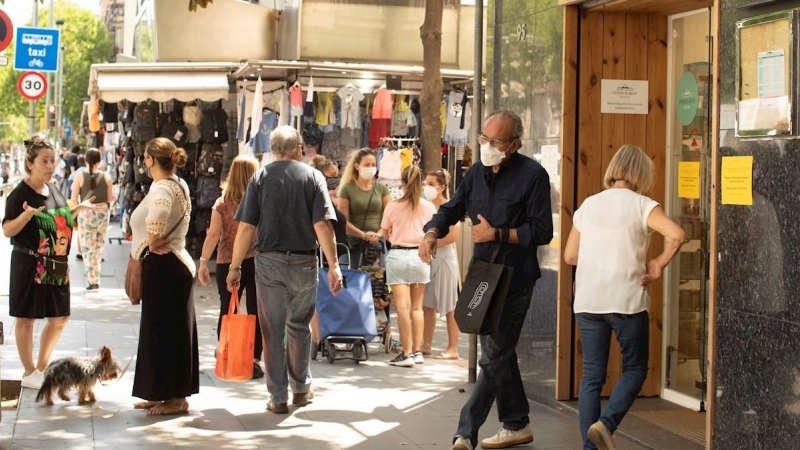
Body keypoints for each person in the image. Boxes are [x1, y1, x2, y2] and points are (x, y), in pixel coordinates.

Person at [420, 110, 553, 450]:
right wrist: (432, 232)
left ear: (515, 144)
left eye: (496, 141)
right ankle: (516, 422)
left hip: (515, 277)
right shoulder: (476, 172)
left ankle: (466, 430)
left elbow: (542, 231)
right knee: (498, 350)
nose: (487, 146)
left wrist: (497, 233)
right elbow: (452, 208)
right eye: (484, 138)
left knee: (493, 353)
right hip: (482, 273)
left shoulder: (533, 175)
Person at [563, 144, 685, 450]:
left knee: (592, 376)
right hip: (626, 300)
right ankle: (606, 424)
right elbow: (677, 234)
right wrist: (657, 262)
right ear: (642, 173)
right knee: (634, 369)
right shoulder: (643, 205)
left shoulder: (588, 205)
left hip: (589, 300)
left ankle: (591, 447)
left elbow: (570, 255)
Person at [227, 125, 343, 414]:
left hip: (268, 262)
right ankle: (301, 389)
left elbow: (246, 228)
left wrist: (235, 266)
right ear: (298, 147)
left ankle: (278, 396)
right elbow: (322, 225)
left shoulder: (260, 177)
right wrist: (334, 266)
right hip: (304, 261)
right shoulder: (313, 176)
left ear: (273, 149)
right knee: (299, 326)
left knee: (272, 329)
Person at [2, 135, 97, 390]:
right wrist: (25, 215)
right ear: (30, 163)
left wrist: (78, 209)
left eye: (53, 161)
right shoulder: (20, 193)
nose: (50, 166)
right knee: (27, 318)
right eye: (44, 161)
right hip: (30, 263)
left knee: (60, 317)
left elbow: (60, 218)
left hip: (55, 263)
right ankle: (29, 371)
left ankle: (41, 368)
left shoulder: (53, 188)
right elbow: (8, 230)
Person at [130, 138, 198, 416]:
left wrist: (154, 236)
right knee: (160, 330)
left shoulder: (163, 186)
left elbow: (159, 211)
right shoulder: (177, 182)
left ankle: (175, 397)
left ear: (149, 160)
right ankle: (159, 392)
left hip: (166, 266)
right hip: (171, 265)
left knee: (167, 332)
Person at [197, 154, 264, 380]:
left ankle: (226, 353)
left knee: (228, 309)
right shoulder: (260, 199)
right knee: (256, 311)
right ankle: (253, 359)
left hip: (227, 262)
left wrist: (204, 261)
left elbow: (214, 234)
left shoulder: (222, 202)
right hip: (256, 260)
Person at [379, 165, 436, 367]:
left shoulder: (392, 206)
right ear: (421, 184)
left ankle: (407, 353)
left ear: (402, 184)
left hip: (398, 255)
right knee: (417, 308)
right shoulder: (429, 207)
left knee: (402, 308)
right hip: (421, 257)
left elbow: (385, 233)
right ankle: (418, 351)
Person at [420, 169, 461, 360]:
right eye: (425, 183)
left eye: (430, 184)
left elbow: (453, 236)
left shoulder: (449, 206)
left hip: (444, 259)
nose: (426, 187)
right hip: (428, 259)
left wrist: (430, 243)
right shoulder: (425, 206)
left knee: (449, 305)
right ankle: (426, 344)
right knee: (427, 304)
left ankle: (453, 347)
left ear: (441, 187)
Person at [337, 148, 391, 268]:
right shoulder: (347, 189)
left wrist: (379, 234)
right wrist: (363, 235)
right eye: (367, 165)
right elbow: (343, 221)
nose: (371, 167)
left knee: (377, 283)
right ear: (357, 166)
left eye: (373, 165)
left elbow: (389, 217)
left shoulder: (382, 189)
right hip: (354, 244)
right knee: (352, 281)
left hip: (377, 245)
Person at [71, 148, 114, 291]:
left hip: (86, 212)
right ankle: (96, 276)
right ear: (100, 160)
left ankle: (92, 279)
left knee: (87, 247)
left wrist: (81, 209)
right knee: (99, 246)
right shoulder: (106, 176)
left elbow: (73, 199)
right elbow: (110, 199)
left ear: (86, 161)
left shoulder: (80, 176)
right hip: (102, 212)